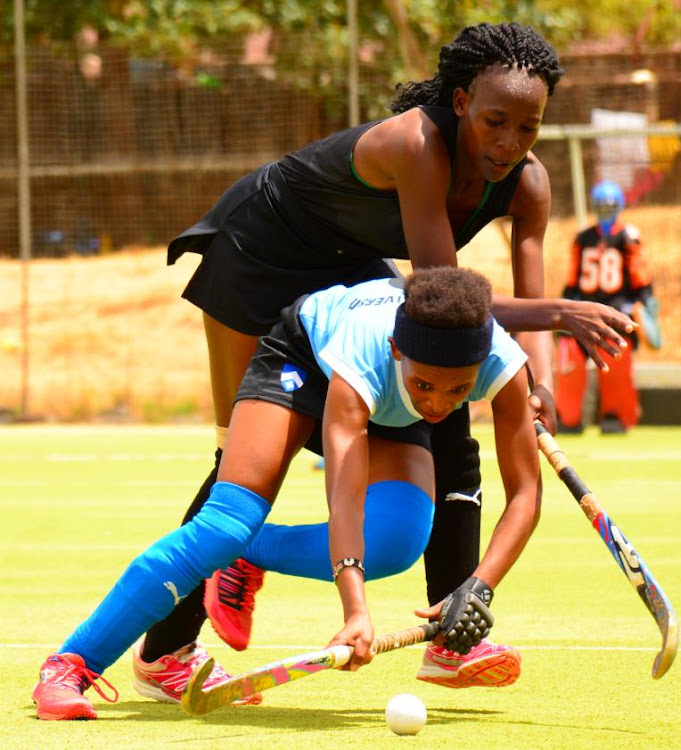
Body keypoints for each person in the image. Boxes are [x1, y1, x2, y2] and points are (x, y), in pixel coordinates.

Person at [127, 21, 635, 696]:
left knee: (446, 408)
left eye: (528, 128)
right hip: (257, 256)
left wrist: (533, 383)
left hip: (344, 265)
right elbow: (435, 295)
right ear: (458, 103)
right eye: (493, 122)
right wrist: (560, 314)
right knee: (249, 460)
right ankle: (164, 651)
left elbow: (503, 313)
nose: (509, 144)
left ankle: (456, 629)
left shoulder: (526, 184)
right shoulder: (417, 145)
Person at [33, 267, 542, 720]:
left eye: (459, 391)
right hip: (305, 360)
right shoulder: (368, 349)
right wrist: (356, 612)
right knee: (224, 527)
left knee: (397, 539)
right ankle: (70, 665)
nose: (438, 405)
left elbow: (525, 493)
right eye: (427, 385)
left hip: (386, 401)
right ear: (397, 349)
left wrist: (478, 585)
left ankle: (248, 555)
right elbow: (344, 494)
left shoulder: (501, 362)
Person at [555, 180, 661, 434]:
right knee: (569, 355)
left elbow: (639, 273)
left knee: (617, 360)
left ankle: (615, 416)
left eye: (609, 205)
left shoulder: (628, 237)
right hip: (584, 309)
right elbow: (573, 278)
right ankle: (567, 417)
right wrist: (566, 307)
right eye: (600, 205)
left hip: (616, 312)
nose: (604, 210)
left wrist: (647, 300)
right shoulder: (583, 238)